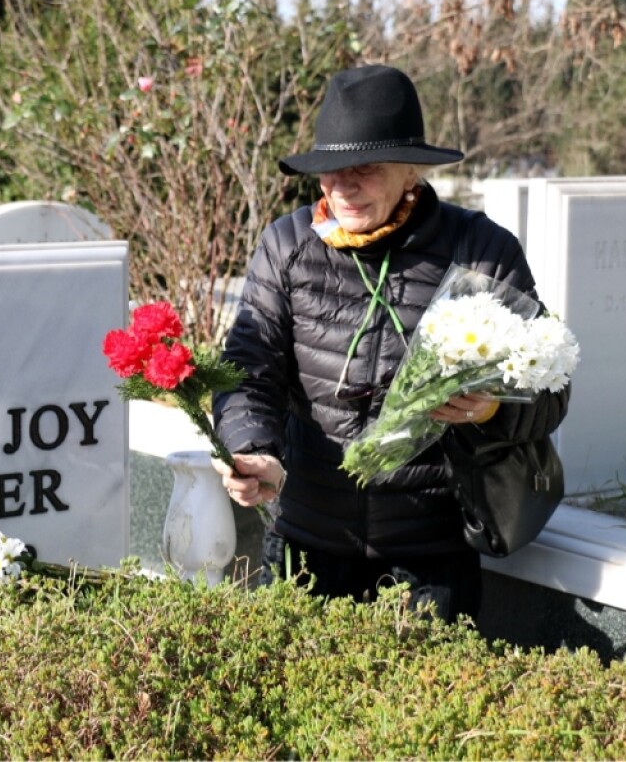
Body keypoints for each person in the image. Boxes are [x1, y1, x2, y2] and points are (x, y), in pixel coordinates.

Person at [213, 65, 569, 622]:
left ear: (411, 172)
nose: (343, 187)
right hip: (306, 543)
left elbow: (550, 389)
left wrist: (491, 409)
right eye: (330, 171)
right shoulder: (288, 244)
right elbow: (248, 367)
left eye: (366, 169)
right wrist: (254, 445)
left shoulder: (480, 250)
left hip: (430, 558)